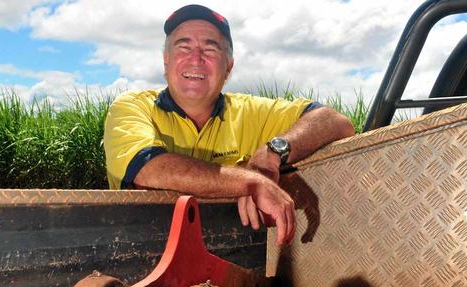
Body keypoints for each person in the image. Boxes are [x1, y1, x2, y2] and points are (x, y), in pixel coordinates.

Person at [104, 4, 354, 246]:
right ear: (166, 60)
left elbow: (334, 121)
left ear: (229, 67)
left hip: (234, 252)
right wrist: (250, 181)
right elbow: (149, 169)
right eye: (184, 47)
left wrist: (272, 153)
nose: (196, 59)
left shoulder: (250, 111)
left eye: (210, 49)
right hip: (139, 248)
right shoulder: (131, 107)